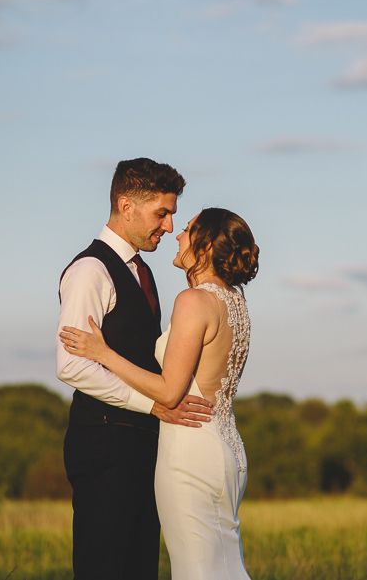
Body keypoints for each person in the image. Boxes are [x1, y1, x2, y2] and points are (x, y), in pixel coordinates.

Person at [61, 207, 259, 580]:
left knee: (195, 570)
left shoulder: (193, 301)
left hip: (189, 449)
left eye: (186, 229)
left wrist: (104, 354)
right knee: (226, 565)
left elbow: (170, 392)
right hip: (226, 446)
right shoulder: (235, 302)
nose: (177, 234)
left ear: (203, 245)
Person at [56, 157, 214, 580]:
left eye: (170, 216)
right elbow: (71, 366)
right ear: (126, 206)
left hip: (145, 448)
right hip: (105, 444)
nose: (167, 226)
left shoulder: (143, 273)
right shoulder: (90, 271)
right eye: (161, 214)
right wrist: (152, 405)